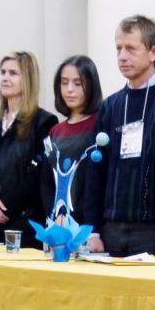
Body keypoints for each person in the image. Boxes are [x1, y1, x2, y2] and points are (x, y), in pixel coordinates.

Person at [83, 15, 155, 257]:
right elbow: (96, 171)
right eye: (118, 48)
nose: (122, 56)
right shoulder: (110, 106)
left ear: (153, 52)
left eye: (131, 49)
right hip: (112, 229)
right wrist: (92, 230)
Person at [0, 51, 58, 247]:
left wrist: (0, 211)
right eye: (2, 72)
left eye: (13, 73)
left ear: (27, 78)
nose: (5, 78)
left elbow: (37, 175)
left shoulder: (44, 122)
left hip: (25, 227)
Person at [40, 55, 103, 224]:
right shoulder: (54, 131)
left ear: (91, 85)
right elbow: (46, 182)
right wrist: (54, 215)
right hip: (56, 223)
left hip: (88, 227)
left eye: (77, 83)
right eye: (64, 82)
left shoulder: (101, 126)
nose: (69, 89)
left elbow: (97, 182)